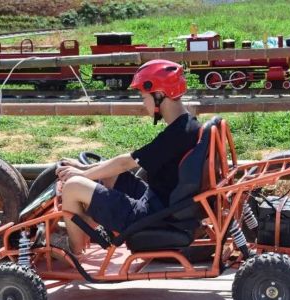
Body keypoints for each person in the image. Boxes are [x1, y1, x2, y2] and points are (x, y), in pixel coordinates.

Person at [56, 59, 201, 255]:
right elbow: (124, 163)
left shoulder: (176, 135)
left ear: (159, 95)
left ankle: (74, 253)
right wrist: (83, 169)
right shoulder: (187, 125)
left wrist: (80, 174)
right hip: (159, 203)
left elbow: (126, 162)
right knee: (108, 174)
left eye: (143, 97)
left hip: (151, 215)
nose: (143, 103)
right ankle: (96, 230)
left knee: (73, 187)